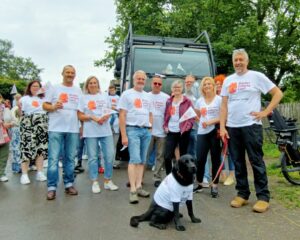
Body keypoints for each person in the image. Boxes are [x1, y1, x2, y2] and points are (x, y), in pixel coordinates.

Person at [220, 49, 283, 213]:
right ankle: (242, 194)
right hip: (233, 127)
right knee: (238, 161)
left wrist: (265, 111)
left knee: (256, 160)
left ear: (247, 61)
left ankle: (263, 197)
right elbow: (224, 105)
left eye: (241, 59)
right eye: (236, 60)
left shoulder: (256, 76)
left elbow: (277, 93)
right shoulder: (228, 81)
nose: (238, 62)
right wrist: (221, 127)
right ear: (233, 62)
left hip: (251, 125)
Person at [43, 65, 82, 200]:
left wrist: (81, 126)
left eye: (72, 73)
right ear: (62, 73)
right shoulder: (54, 88)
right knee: (53, 159)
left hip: (72, 129)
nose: (70, 75)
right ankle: (52, 187)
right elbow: (44, 105)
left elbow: (80, 110)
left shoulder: (78, 90)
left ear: (75, 75)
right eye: (67, 72)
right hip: (56, 128)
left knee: (70, 158)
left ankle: (69, 184)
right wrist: (53, 107)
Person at [78, 76, 118, 193]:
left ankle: (107, 180)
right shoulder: (83, 98)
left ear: (98, 85)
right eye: (90, 83)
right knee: (93, 158)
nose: (93, 85)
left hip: (105, 130)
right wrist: (91, 117)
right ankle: (95, 181)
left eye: (95, 83)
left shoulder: (104, 96)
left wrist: (106, 116)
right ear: (87, 85)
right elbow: (80, 115)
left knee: (109, 156)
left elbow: (109, 110)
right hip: (91, 132)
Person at [118, 70, 152, 204]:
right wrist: (123, 135)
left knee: (142, 160)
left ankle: (139, 187)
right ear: (133, 80)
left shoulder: (147, 96)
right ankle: (132, 190)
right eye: (138, 78)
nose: (141, 81)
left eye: (143, 79)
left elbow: (150, 114)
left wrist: (150, 128)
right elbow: (122, 115)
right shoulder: (127, 94)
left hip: (145, 131)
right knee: (134, 159)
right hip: (132, 130)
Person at [193, 77, 221, 198]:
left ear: (213, 86)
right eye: (205, 84)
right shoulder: (199, 101)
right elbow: (196, 115)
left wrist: (210, 122)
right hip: (202, 132)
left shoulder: (219, 100)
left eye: (209, 84)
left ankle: (214, 184)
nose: (207, 86)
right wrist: (201, 122)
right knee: (200, 159)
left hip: (215, 131)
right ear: (202, 87)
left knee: (215, 159)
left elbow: (223, 116)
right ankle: (199, 182)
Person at [19, 80, 48, 184]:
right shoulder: (23, 99)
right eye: (33, 86)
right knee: (26, 148)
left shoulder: (44, 99)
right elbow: (20, 113)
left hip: (42, 124)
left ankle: (40, 172)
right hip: (28, 123)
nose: (36, 88)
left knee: (40, 149)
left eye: (38, 86)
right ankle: (24, 174)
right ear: (29, 87)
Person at [163, 80, 194, 175]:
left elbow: (191, 116)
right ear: (172, 89)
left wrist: (187, 127)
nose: (176, 89)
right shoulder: (169, 101)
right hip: (171, 131)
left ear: (182, 89)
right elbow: (166, 115)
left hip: (183, 131)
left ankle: (183, 175)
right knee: (167, 156)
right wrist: (165, 125)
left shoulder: (187, 101)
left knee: (183, 156)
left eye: (179, 87)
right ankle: (169, 176)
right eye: (175, 87)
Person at [147, 75, 169, 187]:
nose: (157, 85)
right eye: (155, 83)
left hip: (162, 132)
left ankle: (157, 177)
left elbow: (169, 114)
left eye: (159, 84)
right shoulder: (145, 96)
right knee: (144, 155)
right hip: (148, 131)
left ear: (161, 85)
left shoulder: (166, 97)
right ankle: (138, 178)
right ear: (151, 84)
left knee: (160, 156)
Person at [107, 84, 121, 169]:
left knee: (114, 145)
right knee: (107, 145)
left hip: (116, 123)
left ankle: (113, 162)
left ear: (115, 90)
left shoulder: (119, 98)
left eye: (113, 89)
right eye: (110, 89)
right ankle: (105, 163)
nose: (111, 90)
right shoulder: (105, 97)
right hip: (108, 121)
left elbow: (120, 109)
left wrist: (113, 108)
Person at [0, 94, 13, 182]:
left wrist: (10, 123)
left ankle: (1, 173)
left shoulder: (4, 107)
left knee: (4, 154)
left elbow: (10, 118)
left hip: (4, 133)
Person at [10, 94, 22, 173]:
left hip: (14, 129)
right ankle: (18, 167)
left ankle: (15, 168)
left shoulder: (13, 108)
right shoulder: (18, 108)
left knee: (15, 148)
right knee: (18, 148)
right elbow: (19, 120)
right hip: (18, 129)